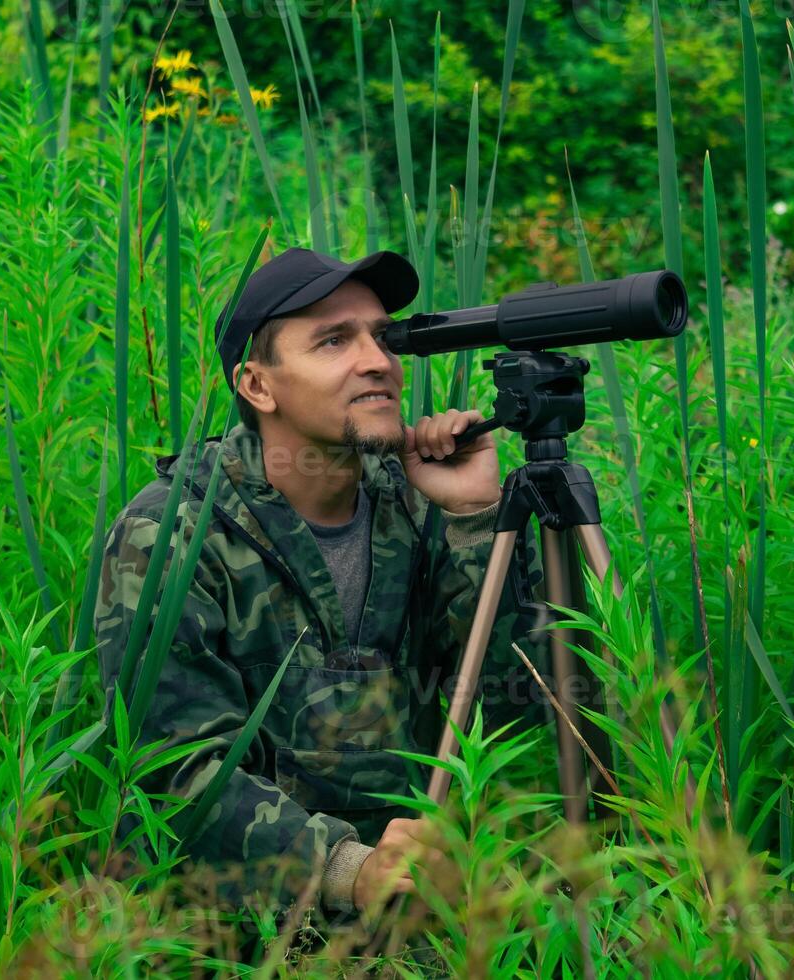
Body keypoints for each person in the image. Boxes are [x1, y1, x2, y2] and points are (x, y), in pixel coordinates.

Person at [93, 247, 545, 927]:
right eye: (334, 340)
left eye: (383, 337)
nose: (378, 361)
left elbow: (526, 710)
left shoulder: (420, 511)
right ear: (257, 386)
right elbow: (170, 770)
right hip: (236, 935)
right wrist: (349, 868)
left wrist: (477, 518)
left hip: (428, 915)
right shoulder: (172, 536)